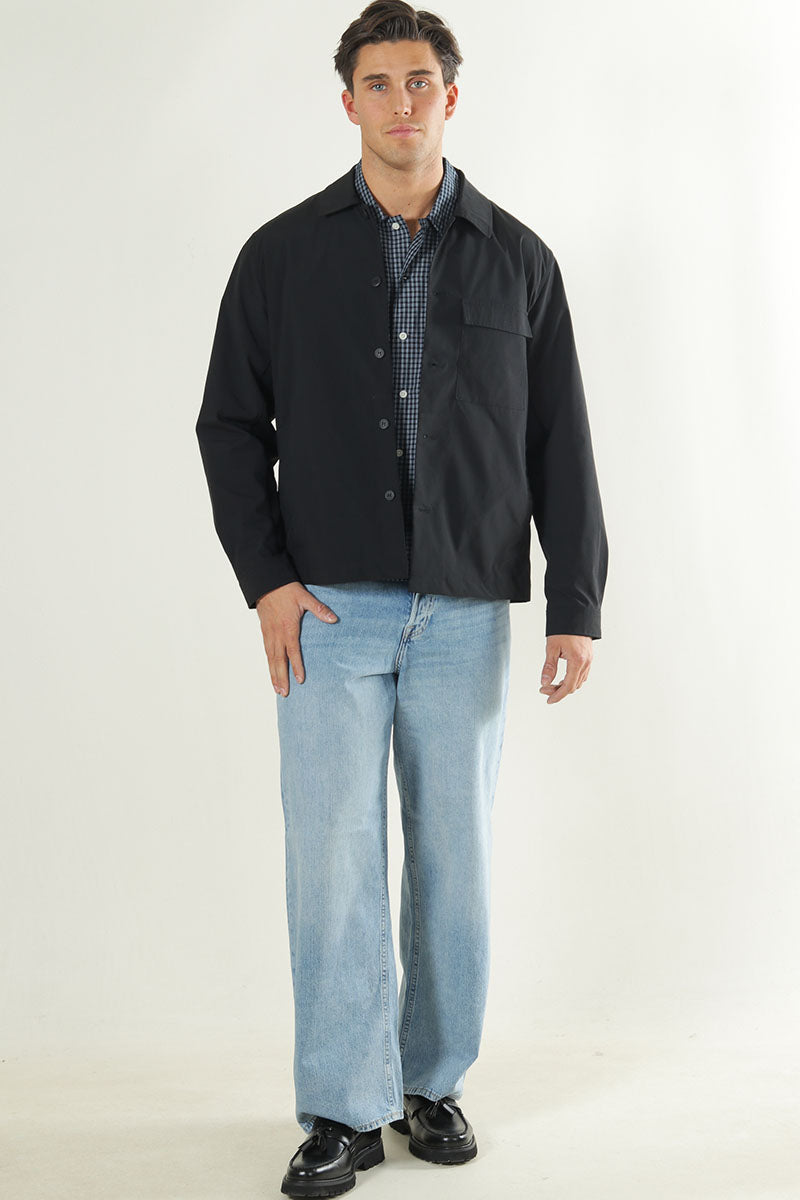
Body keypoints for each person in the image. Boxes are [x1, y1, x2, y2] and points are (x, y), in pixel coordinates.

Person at [195, 2, 609, 1195]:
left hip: (466, 607)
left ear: (449, 97)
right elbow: (230, 426)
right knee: (331, 859)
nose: (399, 102)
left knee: (452, 857)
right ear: (348, 103)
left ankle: (432, 1085)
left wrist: (574, 600)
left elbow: (558, 437)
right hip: (326, 608)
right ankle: (340, 1107)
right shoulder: (279, 256)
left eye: (418, 80)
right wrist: (267, 581)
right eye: (376, 83)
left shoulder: (518, 259)